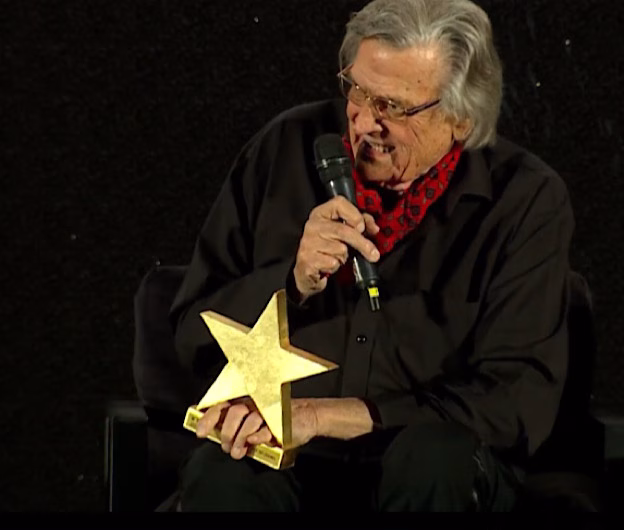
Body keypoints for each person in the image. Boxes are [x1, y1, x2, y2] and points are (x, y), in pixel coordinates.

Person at [169, 0, 574, 512]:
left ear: (461, 118)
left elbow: (515, 401)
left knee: (433, 459)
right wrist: (291, 281)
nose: (363, 123)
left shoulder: (523, 200)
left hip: (428, 463)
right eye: (358, 91)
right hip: (292, 463)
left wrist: (328, 416)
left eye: (393, 107)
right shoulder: (282, 150)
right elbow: (190, 334)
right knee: (222, 472)